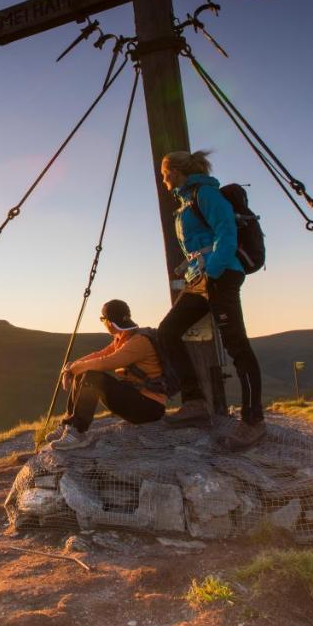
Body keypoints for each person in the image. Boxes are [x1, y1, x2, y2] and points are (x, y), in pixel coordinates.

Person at [158, 149, 266, 450]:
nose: (164, 182)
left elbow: (226, 232)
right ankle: (195, 403)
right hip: (199, 279)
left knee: (237, 346)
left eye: (165, 175)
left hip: (220, 276)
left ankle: (253, 420)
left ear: (175, 173)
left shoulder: (205, 194)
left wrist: (215, 272)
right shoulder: (186, 201)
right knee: (167, 331)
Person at [46, 299, 167, 450]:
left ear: (109, 322)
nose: (102, 322)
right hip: (137, 399)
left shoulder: (139, 342)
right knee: (84, 372)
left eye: (103, 319)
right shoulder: (123, 337)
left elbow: (105, 362)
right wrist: (71, 367)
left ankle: (78, 434)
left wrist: (74, 368)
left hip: (149, 408)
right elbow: (100, 354)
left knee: (92, 376)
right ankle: (68, 425)